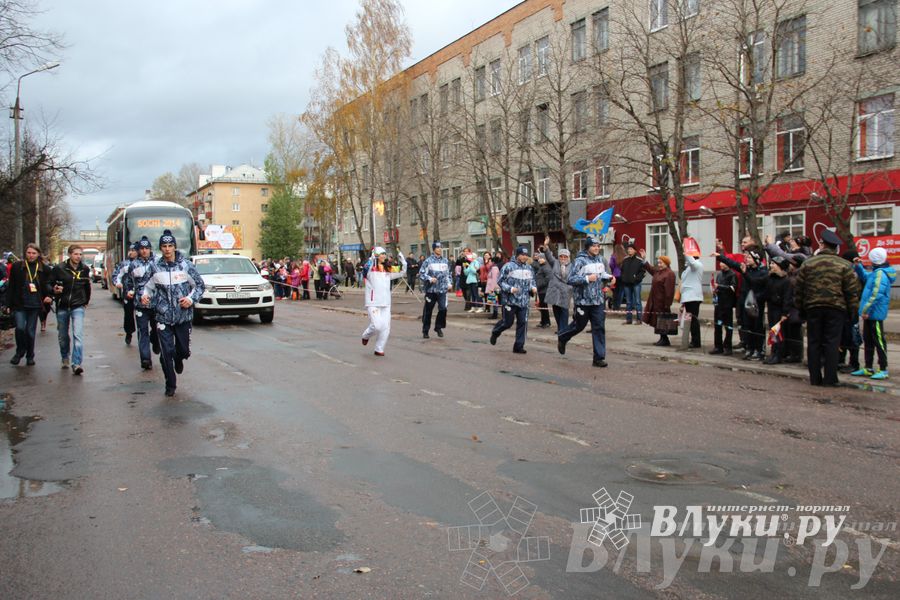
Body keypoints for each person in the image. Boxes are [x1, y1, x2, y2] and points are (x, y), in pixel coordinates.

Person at [140, 230, 205, 397]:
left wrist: (190, 299)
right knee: (166, 352)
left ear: (175, 247)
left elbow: (199, 286)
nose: (167, 249)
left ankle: (179, 358)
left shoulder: (185, 266)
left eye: (170, 246)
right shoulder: (155, 267)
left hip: (183, 315)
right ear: (160, 248)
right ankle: (170, 384)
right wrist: (145, 296)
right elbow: (146, 286)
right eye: (164, 246)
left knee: (183, 351)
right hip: (163, 316)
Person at [794, 229, 860, 387]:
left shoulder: (808, 263)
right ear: (835, 247)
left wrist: (801, 310)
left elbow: (799, 289)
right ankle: (830, 378)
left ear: (822, 244)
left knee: (814, 342)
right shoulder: (845, 265)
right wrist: (853, 312)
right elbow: (852, 291)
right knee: (832, 343)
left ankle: (815, 378)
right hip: (836, 308)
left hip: (813, 307)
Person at [557, 237, 615, 367]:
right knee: (579, 326)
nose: (596, 248)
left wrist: (610, 277)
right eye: (594, 246)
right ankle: (563, 337)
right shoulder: (580, 261)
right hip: (583, 300)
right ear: (588, 247)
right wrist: (587, 278)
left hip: (598, 300)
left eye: (598, 246)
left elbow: (602, 274)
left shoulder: (600, 259)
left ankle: (599, 358)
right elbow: (570, 279)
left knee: (599, 327)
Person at [852, 247, 895, 379]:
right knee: (868, 340)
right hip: (870, 313)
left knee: (879, 340)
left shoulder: (881, 274)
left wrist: (866, 310)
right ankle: (868, 367)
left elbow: (876, 295)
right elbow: (866, 276)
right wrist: (858, 267)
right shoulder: (877, 272)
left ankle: (883, 368)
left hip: (874, 313)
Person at [7, 243, 53, 366]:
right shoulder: (17, 267)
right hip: (20, 303)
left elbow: (48, 285)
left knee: (30, 331)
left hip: (35, 304)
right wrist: (8, 304)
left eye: (34, 253)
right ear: (25, 253)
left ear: (38, 254)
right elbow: (11, 286)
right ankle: (20, 351)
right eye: (29, 253)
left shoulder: (44, 268)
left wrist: (49, 296)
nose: (31, 255)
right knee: (20, 328)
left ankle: (30, 356)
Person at [50, 245, 91, 374]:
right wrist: (54, 290)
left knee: (77, 334)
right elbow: (49, 284)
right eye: (75, 254)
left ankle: (77, 363)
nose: (78, 257)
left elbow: (87, 286)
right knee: (63, 335)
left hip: (78, 305)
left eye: (80, 254)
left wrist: (85, 301)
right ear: (69, 254)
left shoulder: (84, 269)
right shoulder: (59, 268)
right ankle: (64, 357)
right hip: (62, 305)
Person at [360, 248, 407, 356]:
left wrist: (402, 259)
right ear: (376, 255)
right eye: (382, 254)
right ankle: (366, 335)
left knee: (385, 327)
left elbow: (403, 271)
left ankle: (379, 349)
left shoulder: (387, 269)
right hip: (373, 302)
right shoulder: (370, 269)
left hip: (386, 302)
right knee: (377, 326)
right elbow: (365, 268)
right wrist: (372, 257)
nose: (384, 256)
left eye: (385, 254)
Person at [489, 246, 536, 353]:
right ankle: (496, 332)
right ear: (517, 255)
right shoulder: (509, 266)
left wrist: (533, 287)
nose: (524, 257)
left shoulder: (529, 268)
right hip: (510, 300)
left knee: (523, 323)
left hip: (524, 301)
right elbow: (500, 281)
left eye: (526, 255)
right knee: (507, 323)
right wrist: (510, 289)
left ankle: (519, 346)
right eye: (522, 255)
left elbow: (532, 280)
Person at [123, 236, 160, 370]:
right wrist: (129, 291)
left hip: (156, 304)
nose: (144, 251)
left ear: (150, 249)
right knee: (142, 331)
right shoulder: (133, 264)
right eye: (142, 249)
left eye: (147, 248)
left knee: (157, 331)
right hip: (140, 305)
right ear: (138, 250)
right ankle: (145, 359)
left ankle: (156, 342)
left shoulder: (157, 262)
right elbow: (128, 282)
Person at [639, 252, 676, 347]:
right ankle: (662, 338)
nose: (659, 264)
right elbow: (651, 269)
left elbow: (670, 290)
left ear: (666, 263)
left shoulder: (669, 274)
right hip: (655, 300)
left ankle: (665, 339)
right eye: (658, 263)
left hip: (663, 301)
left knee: (662, 320)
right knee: (657, 320)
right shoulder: (658, 272)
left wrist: (668, 303)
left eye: (661, 263)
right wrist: (644, 259)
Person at [764, 256, 792, 364]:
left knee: (778, 332)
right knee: (773, 332)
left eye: (773, 264)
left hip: (780, 310)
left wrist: (785, 312)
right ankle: (773, 352)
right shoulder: (771, 278)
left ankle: (778, 354)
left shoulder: (786, 281)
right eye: (771, 263)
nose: (771, 266)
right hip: (771, 308)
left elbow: (787, 298)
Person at [419, 241, 450, 338]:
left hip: (442, 290)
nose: (440, 249)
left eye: (441, 247)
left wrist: (449, 283)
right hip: (431, 291)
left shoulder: (445, 261)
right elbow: (421, 273)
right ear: (434, 249)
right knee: (428, 311)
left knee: (443, 309)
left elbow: (448, 274)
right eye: (437, 247)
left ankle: (438, 327)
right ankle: (425, 330)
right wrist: (430, 278)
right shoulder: (428, 261)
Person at [543, 240, 573, 334]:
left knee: (564, 311)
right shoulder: (555, 263)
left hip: (565, 291)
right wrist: (546, 245)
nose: (563, 258)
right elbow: (548, 256)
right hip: (554, 291)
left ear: (568, 257)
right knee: (556, 311)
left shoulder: (572, 266)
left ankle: (563, 329)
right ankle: (560, 328)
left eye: (565, 256)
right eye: (561, 256)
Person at [709, 259, 738, 355]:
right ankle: (718, 346)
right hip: (718, 304)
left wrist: (719, 286)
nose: (721, 264)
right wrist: (714, 290)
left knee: (728, 326)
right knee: (717, 325)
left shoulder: (732, 274)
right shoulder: (719, 274)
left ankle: (728, 347)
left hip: (727, 305)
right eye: (720, 262)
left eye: (723, 262)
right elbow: (717, 287)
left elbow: (733, 288)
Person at [680, 244, 705, 349]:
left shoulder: (697, 265)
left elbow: (691, 261)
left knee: (693, 320)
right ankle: (693, 340)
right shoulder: (689, 268)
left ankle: (696, 341)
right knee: (690, 320)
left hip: (693, 297)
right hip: (688, 297)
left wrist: (686, 249)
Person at [113, 245, 139, 345]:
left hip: (141, 294)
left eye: (133, 250)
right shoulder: (124, 264)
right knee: (128, 314)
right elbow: (116, 275)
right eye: (130, 250)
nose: (130, 252)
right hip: (128, 293)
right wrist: (118, 283)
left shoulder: (143, 263)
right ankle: (129, 332)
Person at [618, 244, 645, 324]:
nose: (629, 250)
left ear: (635, 250)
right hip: (627, 284)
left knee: (637, 301)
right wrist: (623, 278)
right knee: (628, 302)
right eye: (628, 249)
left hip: (636, 283)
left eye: (631, 249)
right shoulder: (625, 260)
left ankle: (639, 319)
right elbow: (621, 270)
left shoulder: (639, 260)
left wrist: (637, 279)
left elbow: (643, 271)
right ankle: (628, 319)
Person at [532, 251, 552, 328]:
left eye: (541, 258)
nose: (539, 259)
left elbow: (548, 279)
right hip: (541, 290)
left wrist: (539, 285)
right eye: (539, 258)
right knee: (542, 306)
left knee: (544, 307)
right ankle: (543, 321)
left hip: (544, 290)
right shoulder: (542, 266)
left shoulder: (546, 267)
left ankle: (546, 322)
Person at [484, 255, 502, 319]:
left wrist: (491, 289)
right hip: (492, 286)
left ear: (493, 262)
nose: (489, 262)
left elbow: (494, 279)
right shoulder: (493, 267)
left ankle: (495, 314)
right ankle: (494, 313)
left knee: (494, 302)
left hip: (493, 287)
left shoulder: (494, 268)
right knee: (493, 301)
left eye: (490, 261)